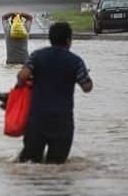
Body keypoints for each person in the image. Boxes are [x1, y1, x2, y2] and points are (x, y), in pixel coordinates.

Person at [9, 22, 93, 164]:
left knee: (29, 164)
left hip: (36, 120)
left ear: (50, 38)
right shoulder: (76, 61)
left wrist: (23, 87)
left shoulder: (37, 56)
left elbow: (22, 76)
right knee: (57, 166)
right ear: (68, 40)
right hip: (62, 122)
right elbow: (87, 87)